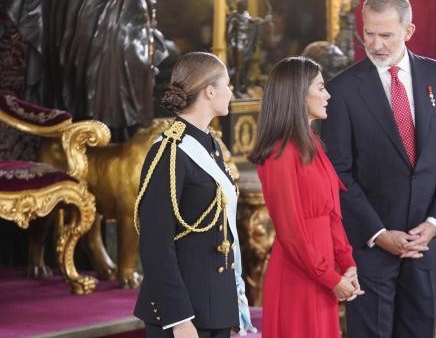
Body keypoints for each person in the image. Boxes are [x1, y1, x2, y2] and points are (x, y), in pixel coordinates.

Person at [321, 0, 436, 338]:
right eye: (369, 33)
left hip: (424, 247)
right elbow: (339, 173)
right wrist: (379, 234)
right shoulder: (341, 90)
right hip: (371, 249)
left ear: (409, 31)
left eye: (386, 35)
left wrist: (433, 224)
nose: (376, 44)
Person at [133, 52, 256, 338]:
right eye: (227, 84)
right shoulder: (168, 152)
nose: (232, 92)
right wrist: (179, 317)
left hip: (214, 307)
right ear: (209, 91)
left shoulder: (211, 145)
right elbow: (155, 243)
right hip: (183, 312)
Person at [248, 56, 364, 338]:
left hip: (323, 274)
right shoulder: (280, 152)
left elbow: (332, 215)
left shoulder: (312, 143)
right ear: (298, 93)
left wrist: (347, 264)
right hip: (297, 276)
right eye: (321, 87)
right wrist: (330, 277)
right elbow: (290, 231)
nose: (328, 95)